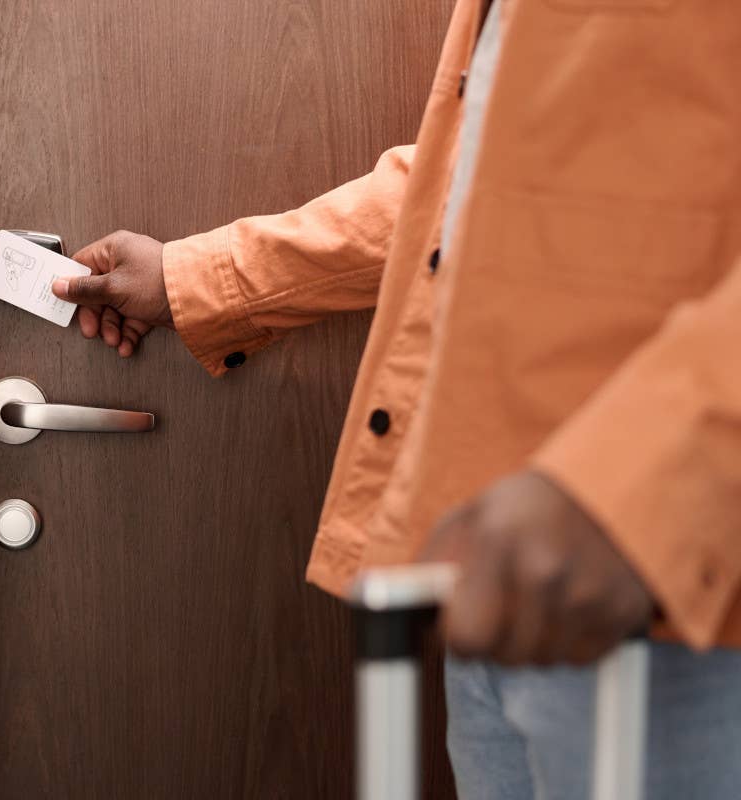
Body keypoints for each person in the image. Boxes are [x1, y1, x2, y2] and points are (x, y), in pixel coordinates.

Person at [52, 0, 741, 796]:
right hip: (504, 582)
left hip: (679, 589)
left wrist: (634, 487)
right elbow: (464, 194)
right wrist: (194, 278)